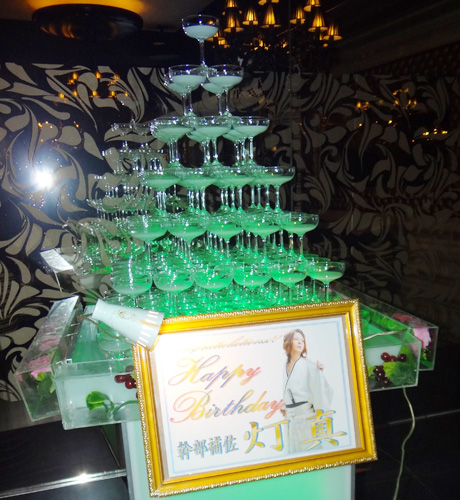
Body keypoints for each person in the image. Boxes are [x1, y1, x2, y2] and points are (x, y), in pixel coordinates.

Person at [281, 328, 333, 454]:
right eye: (296, 339)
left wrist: (319, 372)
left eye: (302, 340)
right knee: (294, 453)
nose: (300, 342)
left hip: (306, 415)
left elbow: (323, 390)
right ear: (288, 342)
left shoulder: (310, 365)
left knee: (310, 451)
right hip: (290, 417)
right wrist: (284, 406)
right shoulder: (284, 365)